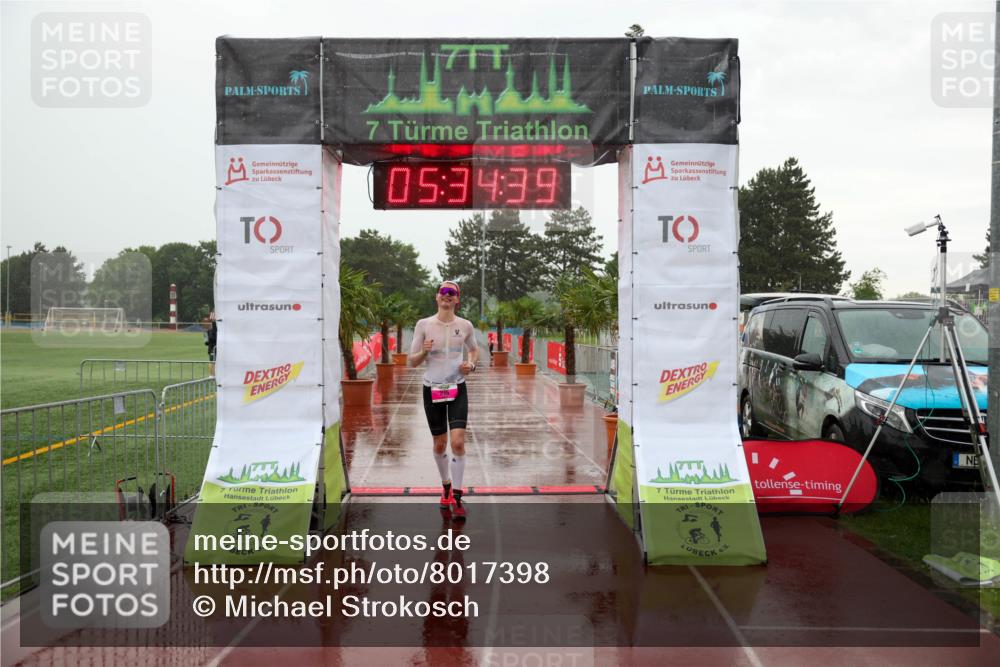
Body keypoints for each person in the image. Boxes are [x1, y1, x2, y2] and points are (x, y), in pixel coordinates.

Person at [410, 281, 480, 519]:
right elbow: (412, 361)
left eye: (453, 293)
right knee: (440, 444)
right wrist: (424, 351)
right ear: (436, 297)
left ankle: (458, 498)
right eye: (444, 292)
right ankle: (446, 486)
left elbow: (473, 350)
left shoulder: (465, 325)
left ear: (457, 300)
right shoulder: (424, 325)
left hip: (457, 387)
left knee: (458, 443)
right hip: (433, 389)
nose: (447, 296)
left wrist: (470, 364)